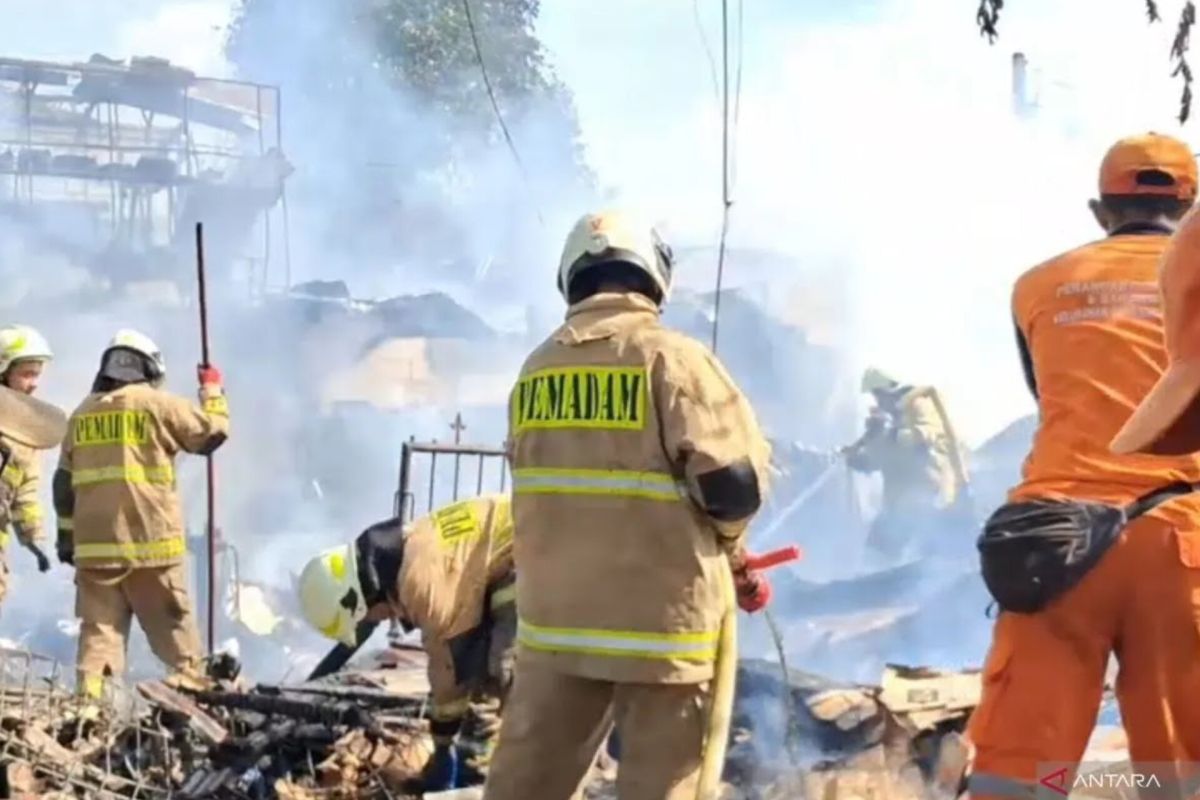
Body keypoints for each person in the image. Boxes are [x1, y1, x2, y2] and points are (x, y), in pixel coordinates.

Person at [482, 210, 773, 800]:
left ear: (572, 277)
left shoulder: (535, 370)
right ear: (652, 275)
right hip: (664, 636)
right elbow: (732, 485)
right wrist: (734, 549)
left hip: (556, 631)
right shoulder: (674, 361)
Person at [967, 133, 1200, 798]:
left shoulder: (1039, 285)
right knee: (1181, 775)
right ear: (1190, 209)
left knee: (1017, 775)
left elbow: (1047, 393)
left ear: (1101, 211)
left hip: (1055, 544)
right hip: (1184, 545)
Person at [297, 493, 516, 792]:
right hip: (527, 551)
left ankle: (521, 782)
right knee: (487, 673)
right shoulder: (409, 554)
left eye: (364, 619)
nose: (379, 619)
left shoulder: (419, 582)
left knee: (511, 675)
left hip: (539, 553)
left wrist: (442, 745)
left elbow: (449, 670)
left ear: (360, 601)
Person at [53, 329, 229, 697]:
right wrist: (212, 391)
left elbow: (62, 485)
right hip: (150, 546)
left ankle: (90, 714)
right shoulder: (157, 404)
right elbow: (211, 434)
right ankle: (196, 703)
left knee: (99, 637)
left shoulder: (82, 414)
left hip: (95, 550)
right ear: (149, 368)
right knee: (177, 638)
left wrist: (67, 538)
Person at [842, 367, 970, 558]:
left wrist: (885, 433)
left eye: (878, 395)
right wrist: (861, 460)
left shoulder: (919, 403)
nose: (878, 401)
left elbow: (921, 438)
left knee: (919, 549)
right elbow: (888, 456)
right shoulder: (896, 417)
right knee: (876, 550)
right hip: (901, 501)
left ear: (888, 389)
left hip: (928, 491)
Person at [0, 325, 55, 590]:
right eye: (26, 374)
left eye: (37, 375)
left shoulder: (26, 431)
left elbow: (26, 493)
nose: (34, 384)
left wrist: (35, 539)